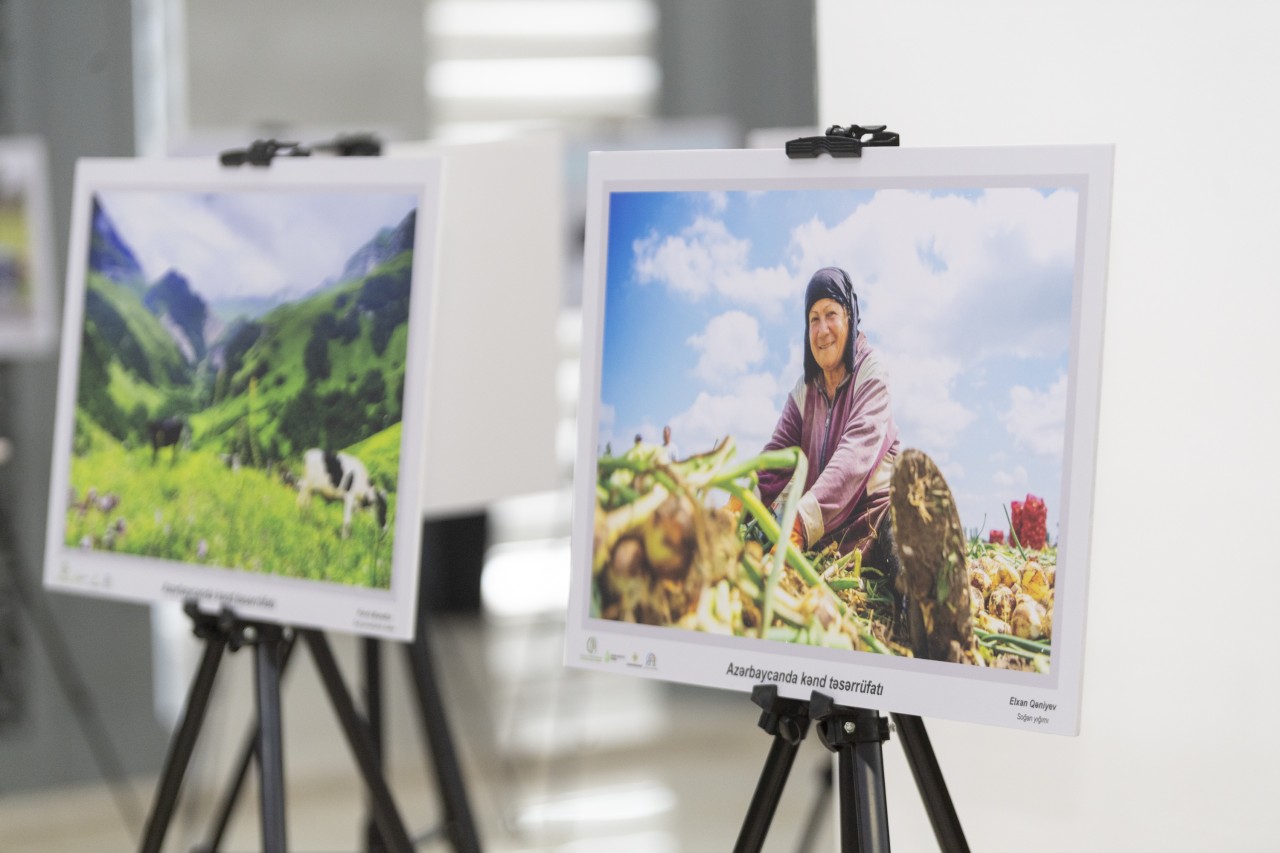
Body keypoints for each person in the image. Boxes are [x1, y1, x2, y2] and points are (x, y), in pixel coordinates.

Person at [755, 266, 901, 568]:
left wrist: (797, 524)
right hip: (824, 544)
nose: (822, 330)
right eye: (813, 319)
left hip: (873, 534)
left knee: (902, 548)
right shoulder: (804, 391)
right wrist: (737, 504)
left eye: (831, 314)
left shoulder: (871, 371)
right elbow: (775, 459)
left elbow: (854, 457)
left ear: (850, 316)